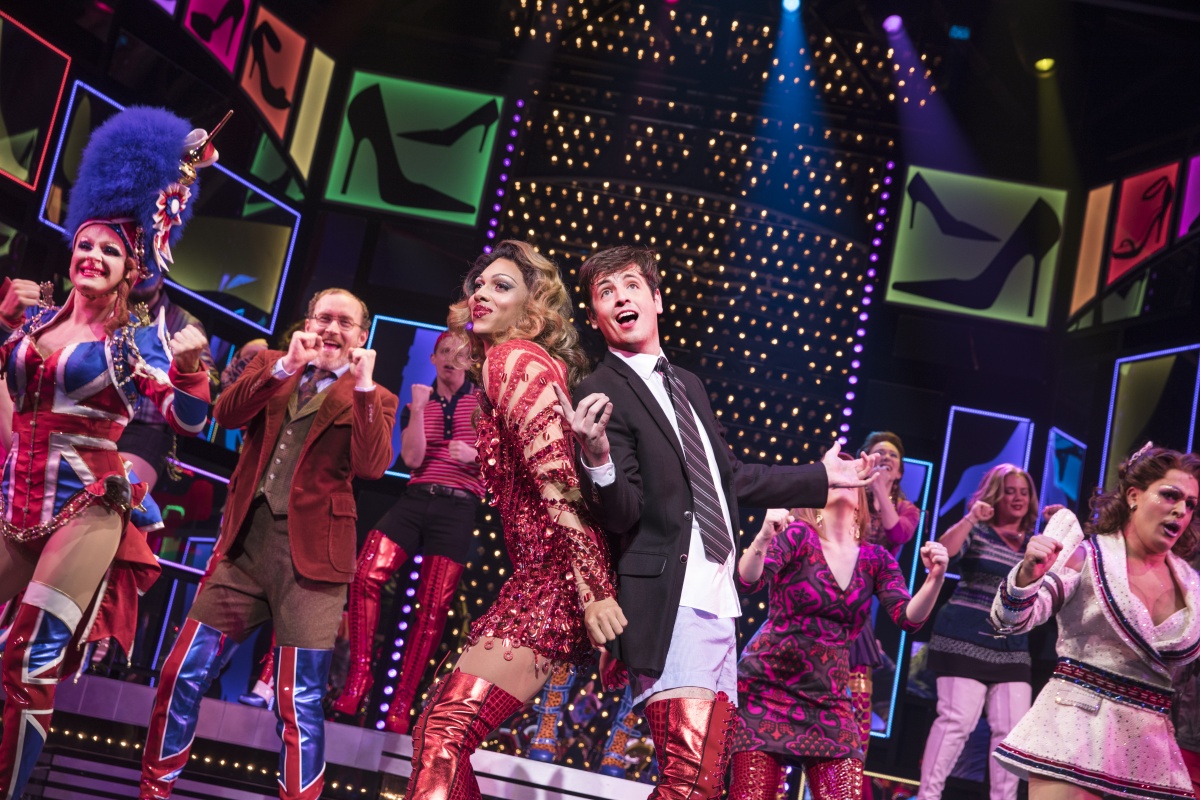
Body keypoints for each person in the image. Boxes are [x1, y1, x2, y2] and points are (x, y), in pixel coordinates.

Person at [555, 245, 878, 799]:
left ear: (657, 299)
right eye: (605, 292)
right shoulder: (600, 390)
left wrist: (824, 477)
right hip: (670, 601)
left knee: (702, 785)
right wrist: (597, 457)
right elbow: (623, 512)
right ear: (595, 316)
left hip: (718, 601)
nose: (620, 298)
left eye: (631, 285)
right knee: (686, 779)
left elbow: (730, 479)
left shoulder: (688, 384)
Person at [0, 106, 216, 797]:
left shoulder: (134, 344)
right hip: (12, 502)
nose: (92, 255)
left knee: (27, 659)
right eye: (85, 244)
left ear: (132, 269)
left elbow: (186, 418)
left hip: (86, 509)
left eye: (111, 251)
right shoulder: (31, 325)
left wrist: (191, 371)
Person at [139, 287, 398, 800]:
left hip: (313, 565)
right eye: (324, 317)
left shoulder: (376, 396)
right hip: (245, 550)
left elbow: (371, 466)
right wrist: (284, 368)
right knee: (181, 671)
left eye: (345, 323)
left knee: (298, 701)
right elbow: (225, 415)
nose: (332, 329)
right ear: (308, 322)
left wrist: (365, 387)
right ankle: (154, 789)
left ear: (361, 336)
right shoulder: (274, 364)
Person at [402, 240, 621, 800]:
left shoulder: (514, 359)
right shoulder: (510, 365)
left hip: (555, 583)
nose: (481, 293)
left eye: (502, 286)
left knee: (442, 734)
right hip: (540, 579)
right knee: (438, 733)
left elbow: (559, 484)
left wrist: (593, 592)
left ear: (533, 311)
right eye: (478, 284)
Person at [990, 444, 1200, 800]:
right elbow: (1011, 620)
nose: (1181, 510)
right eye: (1170, 495)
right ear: (1134, 496)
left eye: (1191, 504)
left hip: (1149, 751)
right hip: (1073, 733)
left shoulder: (1192, 585)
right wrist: (1027, 575)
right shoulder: (1087, 557)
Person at [727, 475, 948, 800]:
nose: (845, 481)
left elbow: (908, 617)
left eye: (851, 477)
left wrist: (935, 579)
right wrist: (762, 536)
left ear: (861, 500)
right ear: (817, 492)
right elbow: (749, 581)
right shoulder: (797, 536)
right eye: (835, 477)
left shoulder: (875, 558)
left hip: (828, 699)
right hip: (765, 689)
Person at [330, 330, 485, 731]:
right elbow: (413, 459)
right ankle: (359, 677)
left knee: (432, 609)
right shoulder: (421, 402)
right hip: (416, 499)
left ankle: (401, 702)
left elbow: (503, 464)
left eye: (460, 354)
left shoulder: (482, 404)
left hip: (458, 507)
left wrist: (477, 454)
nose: (451, 358)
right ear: (433, 358)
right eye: (444, 351)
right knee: (365, 573)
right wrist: (417, 410)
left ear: (471, 363)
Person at [917, 464, 1039, 800]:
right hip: (963, 637)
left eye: (1023, 492)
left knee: (1011, 732)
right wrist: (971, 518)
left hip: (1011, 645)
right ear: (996, 496)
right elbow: (943, 553)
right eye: (1009, 491)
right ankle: (927, 796)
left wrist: (1063, 528)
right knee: (957, 722)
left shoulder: (1034, 545)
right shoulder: (980, 531)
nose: (1017, 498)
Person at [850, 431, 920, 774]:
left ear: (900, 471)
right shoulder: (847, 495)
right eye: (879, 452)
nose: (886, 458)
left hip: (862, 609)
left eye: (893, 455)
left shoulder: (907, 510)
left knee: (856, 707)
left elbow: (897, 534)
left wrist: (879, 488)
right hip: (827, 590)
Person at [117, 259, 219, 493]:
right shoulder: (108, 311)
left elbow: (210, 383)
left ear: (161, 280)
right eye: (136, 268)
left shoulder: (184, 323)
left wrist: (189, 369)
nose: (142, 274)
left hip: (147, 428)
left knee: (119, 494)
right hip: (100, 417)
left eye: (149, 270)